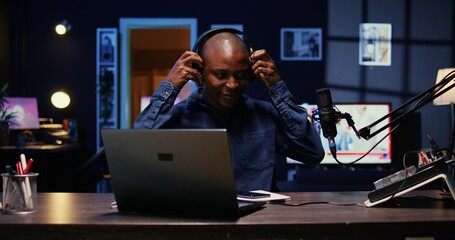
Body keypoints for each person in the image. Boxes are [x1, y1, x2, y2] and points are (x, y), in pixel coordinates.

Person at [134, 29, 324, 192]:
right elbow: (138, 153)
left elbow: (313, 153)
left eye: (241, 75)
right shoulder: (178, 117)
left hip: (257, 226)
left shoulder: (265, 115)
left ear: (251, 74)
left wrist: (277, 87)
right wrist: (170, 87)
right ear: (200, 73)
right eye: (221, 75)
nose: (232, 85)